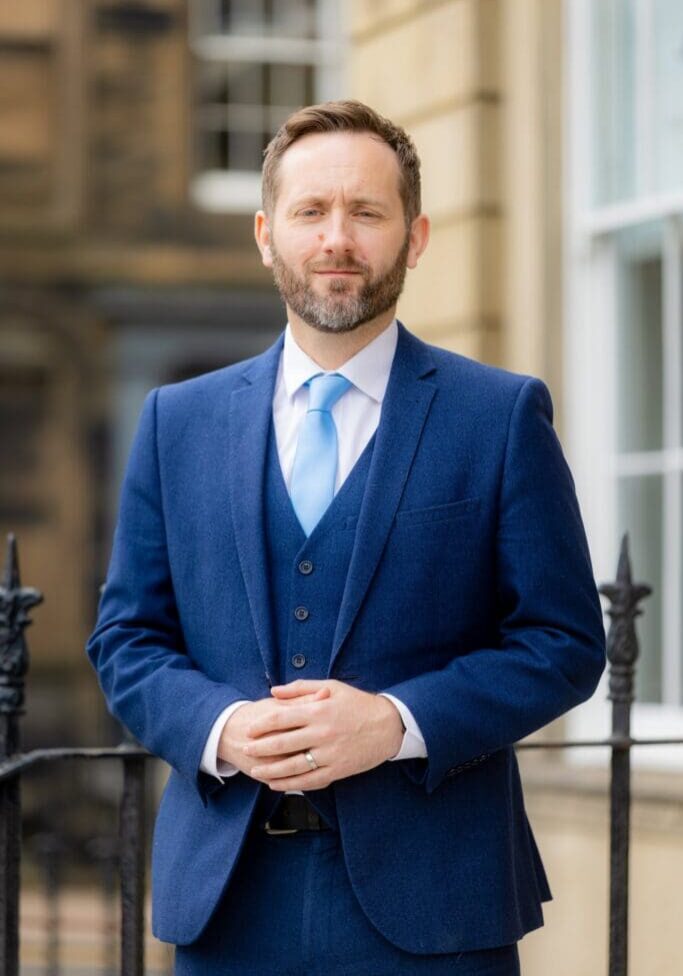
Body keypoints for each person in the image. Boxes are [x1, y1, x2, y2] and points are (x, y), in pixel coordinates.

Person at [87, 100, 606, 975]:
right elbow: (127, 639)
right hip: (225, 904)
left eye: (367, 212)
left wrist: (398, 723)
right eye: (310, 212)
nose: (337, 238)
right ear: (265, 234)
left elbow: (561, 643)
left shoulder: (497, 416)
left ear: (415, 236)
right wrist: (220, 728)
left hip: (437, 907)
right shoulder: (178, 421)